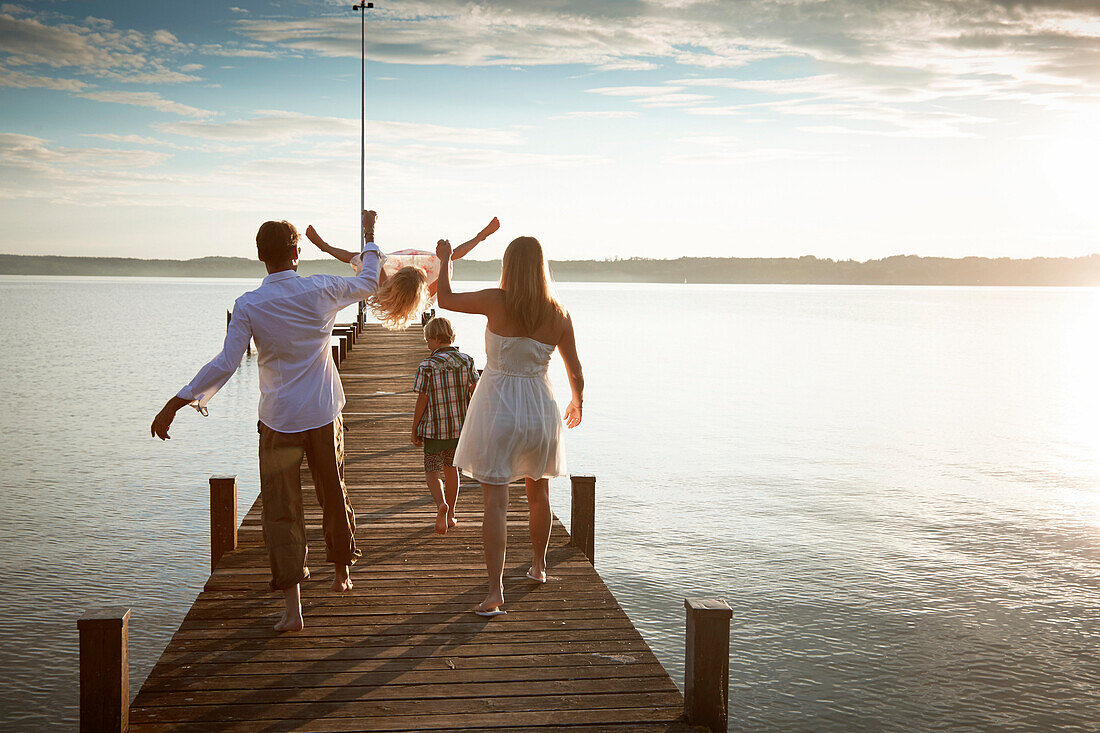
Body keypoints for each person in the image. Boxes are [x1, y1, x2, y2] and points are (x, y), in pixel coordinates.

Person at [150, 211, 386, 633]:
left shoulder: (249, 305)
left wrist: (179, 400)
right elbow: (371, 281)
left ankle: (293, 609)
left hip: (279, 422)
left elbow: (226, 363)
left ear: (261, 257)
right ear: (296, 252)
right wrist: (368, 237)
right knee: (332, 491)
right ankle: (341, 574)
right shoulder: (320, 288)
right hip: (322, 411)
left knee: (281, 510)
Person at [435, 235, 584, 617]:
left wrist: (446, 258)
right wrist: (577, 402)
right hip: (540, 407)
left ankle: (495, 591)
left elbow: (445, 300)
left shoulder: (495, 300)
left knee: (495, 504)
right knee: (539, 495)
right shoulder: (559, 314)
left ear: (508, 266)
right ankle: (538, 566)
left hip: (498, 406)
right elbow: (576, 372)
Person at [306, 215, 499, 329]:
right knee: (446, 259)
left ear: (395, 279)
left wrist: (324, 246)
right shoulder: (427, 293)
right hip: (414, 291)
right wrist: (480, 236)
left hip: (397, 290)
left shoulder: (383, 287)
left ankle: (325, 246)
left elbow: (357, 256)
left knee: (368, 259)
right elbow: (454, 256)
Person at [410, 317, 479, 535]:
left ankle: (441, 504)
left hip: (434, 430)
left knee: (432, 471)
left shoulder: (427, 365)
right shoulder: (467, 361)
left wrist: (415, 428)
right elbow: (474, 392)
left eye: (427, 340)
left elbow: (422, 399)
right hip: (459, 429)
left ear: (434, 339)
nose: (427, 344)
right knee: (452, 470)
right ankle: (451, 515)